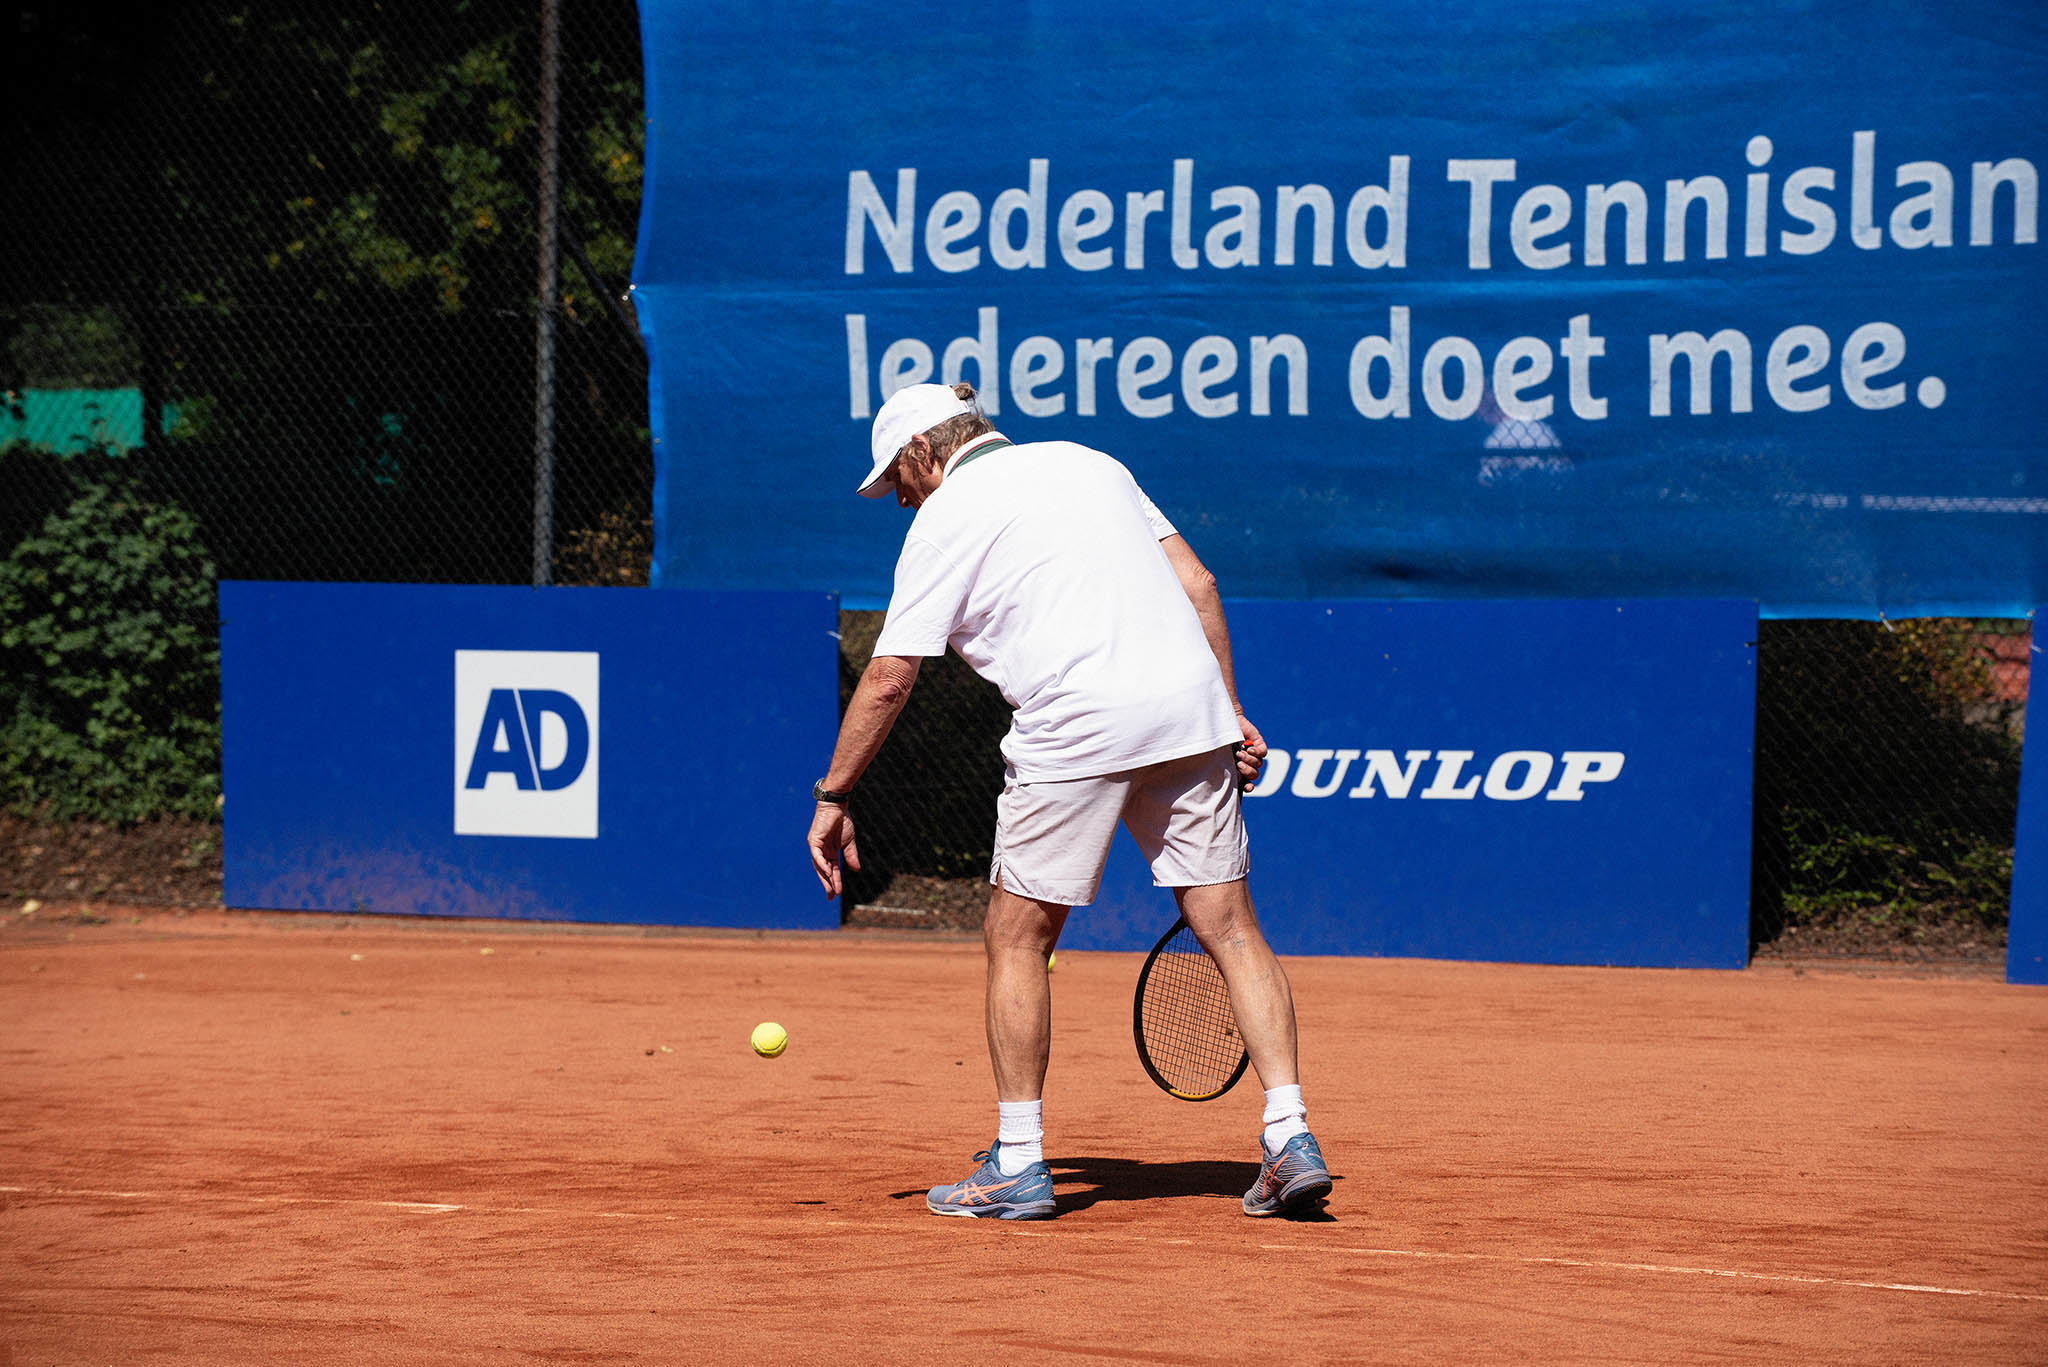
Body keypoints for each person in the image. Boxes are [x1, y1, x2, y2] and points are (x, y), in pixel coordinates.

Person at [805, 382, 1331, 1221]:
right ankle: (1289, 1134)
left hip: (1075, 721)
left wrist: (835, 793)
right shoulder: (1095, 463)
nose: (899, 500)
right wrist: (1226, 710)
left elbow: (891, 676)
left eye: (896, 481)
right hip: (1187, 709)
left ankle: (1017, 1160)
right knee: (1232, 926)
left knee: (1017, 934)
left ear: (922, 452)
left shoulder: (944, 517)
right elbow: (1198, 584)